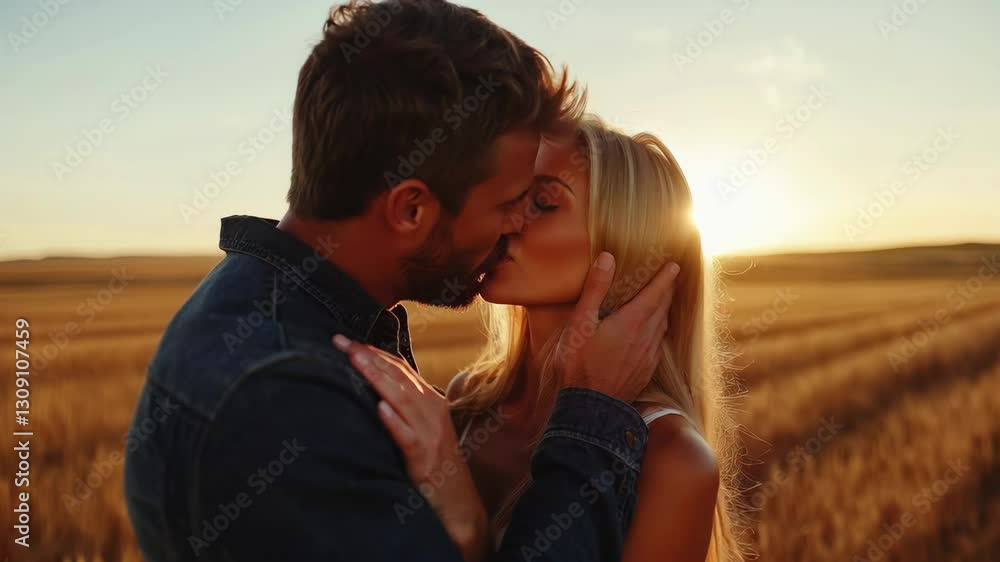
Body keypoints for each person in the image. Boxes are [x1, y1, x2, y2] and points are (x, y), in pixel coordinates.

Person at [124, 1, 678, 561]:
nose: (515, 226)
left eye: (540, 203)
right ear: (411, 210)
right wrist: (592, 420)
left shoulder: (265, 316)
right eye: (510, 202)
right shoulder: (291, 407)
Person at [333, 116, 749, 562]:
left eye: (543, 203)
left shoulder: (672, 460)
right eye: (510, 195)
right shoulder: (467, 402)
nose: (507, 218)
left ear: (629, 246)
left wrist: (468, 527)